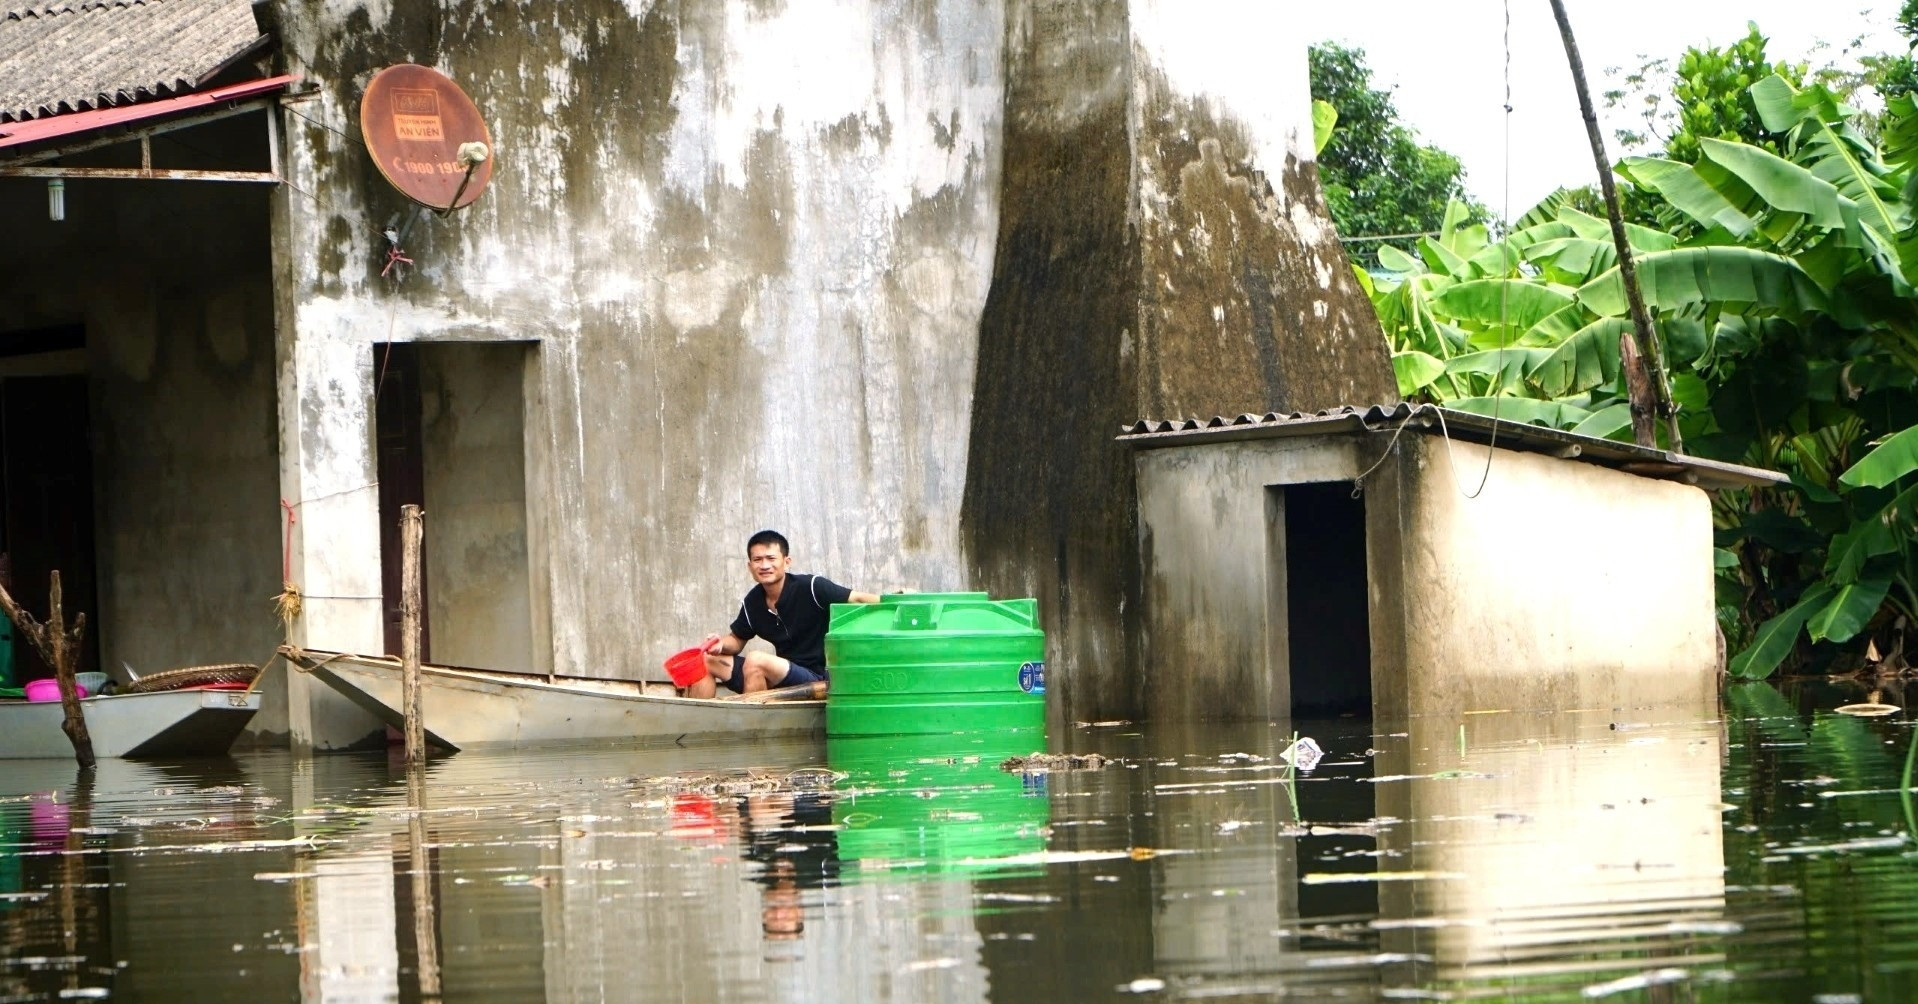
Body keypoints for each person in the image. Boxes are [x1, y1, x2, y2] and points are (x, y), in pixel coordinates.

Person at [688, 529, 880, 698]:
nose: (764, 565)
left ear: (786, 562)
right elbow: (736, 640)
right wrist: (720, 644)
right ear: (750, 566)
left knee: (756, 660)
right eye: (757, 560)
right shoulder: (753, 601)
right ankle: (695, 730)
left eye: (771, 559)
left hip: (815, 678)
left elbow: (859, 599)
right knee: (704, 660)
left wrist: (899, 600)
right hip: (780, 674)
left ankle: (754, 731)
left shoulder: (812, 587)